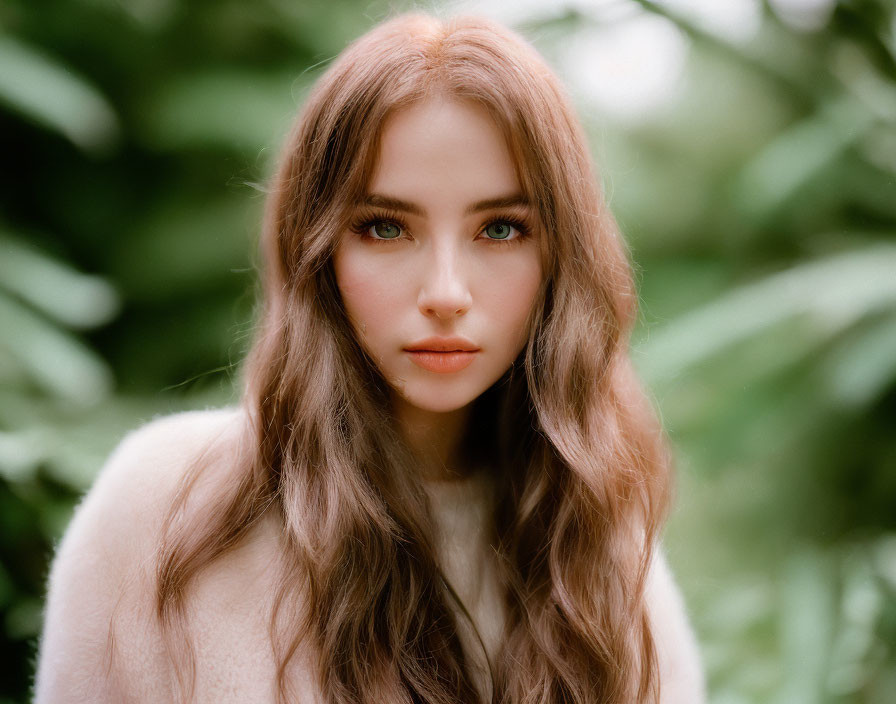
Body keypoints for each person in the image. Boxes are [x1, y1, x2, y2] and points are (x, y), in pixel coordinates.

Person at [34, 11, 705, 704]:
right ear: (317, 250)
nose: (446, 292)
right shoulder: (165, 512)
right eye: (386, 227)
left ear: (560, 257)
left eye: (500, 229)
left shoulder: (600, 554)